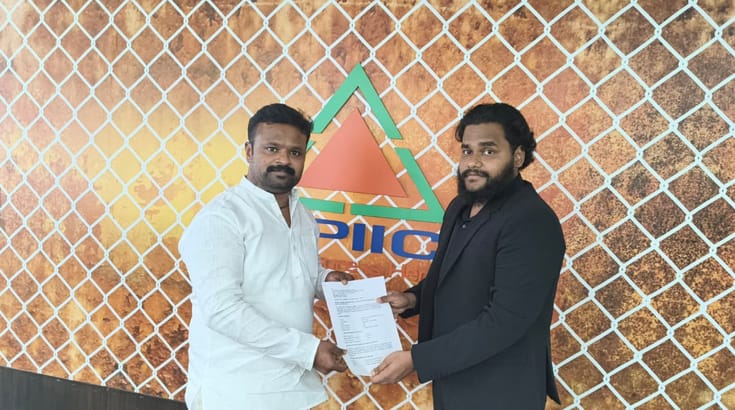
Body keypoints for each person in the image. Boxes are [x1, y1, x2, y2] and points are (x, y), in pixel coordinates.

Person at [371, 103, 565, 409]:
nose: (473, 162)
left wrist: (418, 359)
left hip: (502, 390)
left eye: (488, 151)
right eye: (467, 151)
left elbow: (505, 320)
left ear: (517, 156)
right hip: (454, 378)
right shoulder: (460, 207)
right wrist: (412, 299)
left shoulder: (531, 220)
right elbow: (449, 276)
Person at [179, 103, 351, 410]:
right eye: (272, 149)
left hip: (290, 386)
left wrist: (326, 281)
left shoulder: (302, 215)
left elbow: (294, 275)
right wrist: (308, 351)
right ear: (249, 151)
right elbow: (222, 310)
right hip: (236, 391)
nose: (284, 160)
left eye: (295, 152)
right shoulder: (222, 218)